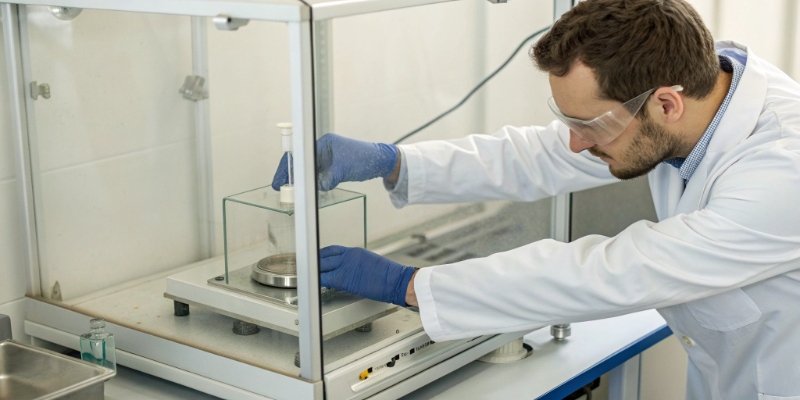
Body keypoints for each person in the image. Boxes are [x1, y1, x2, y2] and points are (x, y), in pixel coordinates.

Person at [272, 0, 800, 398]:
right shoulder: (694, 86)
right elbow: (542, 153)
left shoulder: (782, 172)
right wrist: (395, 161)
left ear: (666, 103)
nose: (574, 140)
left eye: (589, 124)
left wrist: (410, 285)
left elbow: (614, 272)